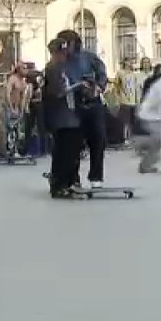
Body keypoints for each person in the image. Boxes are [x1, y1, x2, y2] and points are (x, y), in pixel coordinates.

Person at [56, 29, 108, 188]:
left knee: (98, 140)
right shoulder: (61, 61)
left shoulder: (88, 57)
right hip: (74, 104)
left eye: (67, 43)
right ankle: (73, 177)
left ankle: (96, 176)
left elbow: (102, 72)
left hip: (93, 102)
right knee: (74, 143)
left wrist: (99, 86)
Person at [43, 38, 85, 198]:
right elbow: (59, 91)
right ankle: (59, 184)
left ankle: (67, 181)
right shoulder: (52, 68)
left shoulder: (61, 68)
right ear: (55, 52)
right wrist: (78, 85)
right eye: (61, 52)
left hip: (69, 113)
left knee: (70, 149)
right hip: (60, 115)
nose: (64, 55)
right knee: (64, 151)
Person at [4, 61, 32, 159]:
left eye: (26, 68)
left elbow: (24, 97)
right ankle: (11, 151)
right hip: (11, 107)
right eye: (23, 68)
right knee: (11, 130)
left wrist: (23, 109)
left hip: (18, 108)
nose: (26, 70)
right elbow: (7, 93)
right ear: (18, 69)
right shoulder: (12, 79)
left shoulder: (23, 82)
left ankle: (16, 150)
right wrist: (11, 107)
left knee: (18, 131)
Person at [117, 57, 144, 145]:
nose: (129, 63)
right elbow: (117, 85)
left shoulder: (133, 74)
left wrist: (138, 99)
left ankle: (132, 137)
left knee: (132, 121)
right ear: (124, 62)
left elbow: (136, 87)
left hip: (133, 100)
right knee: (125, 120)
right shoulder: (120, 73)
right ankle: (125, 138)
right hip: (124, 100)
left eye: (131, 62)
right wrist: (119, 98)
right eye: (128, 61)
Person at [23, 62, 46, 156]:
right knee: (33, 127)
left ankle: (38, 149)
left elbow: (28, 96)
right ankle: (37, 149)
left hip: (36, 104)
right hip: (35, 104)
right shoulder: (34, 79)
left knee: (35, 127)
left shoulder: (36, 79)